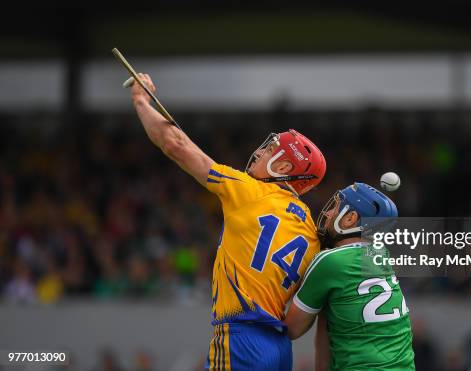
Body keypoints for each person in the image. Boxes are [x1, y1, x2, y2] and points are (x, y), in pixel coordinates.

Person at [130, 74, 326, 370]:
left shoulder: (250, 190)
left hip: (241, 337)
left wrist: (140, 100)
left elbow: (176, 145)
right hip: (280, 347)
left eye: (271, 150)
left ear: (283, 167)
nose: (261, 151)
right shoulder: (311, 230)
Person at [284, 183, 415, 370]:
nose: (328, 214)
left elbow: (292, 329)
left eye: (335, 207)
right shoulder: (381, 254)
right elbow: (328, 319)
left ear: (350, 218)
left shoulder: (330, 261)